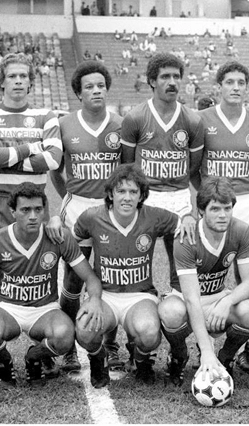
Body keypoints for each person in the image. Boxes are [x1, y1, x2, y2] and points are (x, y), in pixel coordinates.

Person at [0, 182, 103, 386]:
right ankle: (4, 362)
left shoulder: (59, 237)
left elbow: (89, 277)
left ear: (44, 210)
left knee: (65, 336)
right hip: (7, 308)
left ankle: (34, 357)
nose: (33, 216)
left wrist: (95, 299)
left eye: (38, 209)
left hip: (45, 309)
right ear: (13, 211)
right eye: (25, 210)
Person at [45, 61, 123, 374]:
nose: (95, 91)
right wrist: (70, 196)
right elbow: (55, 169)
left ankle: (112, 344)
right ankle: (68, 350)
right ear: (79, 93)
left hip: (111, 212)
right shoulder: (64, 125)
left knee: (112, 277)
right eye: (89, 86)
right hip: (77, 207)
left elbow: (128, 172)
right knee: (74, 279)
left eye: (100, 86)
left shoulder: (121, 124)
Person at [73, 164, 180, 387]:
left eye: (133, 192)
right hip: (105, 296)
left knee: (150, 334)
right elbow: (73, 241)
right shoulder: (92, 218)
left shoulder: (154, 217)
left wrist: (188, 218)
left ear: (141, 195)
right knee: (84, 329)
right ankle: (98, 357)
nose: (127, 198)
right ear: (111, 193)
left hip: (139, 296)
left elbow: (180, 223)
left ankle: (140, 360)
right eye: (121, 191)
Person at [0, 52, 62, 315]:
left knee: (35, 266)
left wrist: (6, 157)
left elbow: (54, 159)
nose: (18, 81)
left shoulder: (46, 115)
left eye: (23, 76)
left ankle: (41, 329)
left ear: (31, 82)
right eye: (12, 76)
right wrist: (29, 149)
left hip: (33, 203)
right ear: (2, 81)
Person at [158, 177, 249, 386]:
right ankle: (179, 355)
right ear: (202, 211)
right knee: (170, 312)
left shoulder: (241, 230)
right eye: (215, 209)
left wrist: (226, 302)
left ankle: (225, 358)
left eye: (227, 208)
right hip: (185, 300)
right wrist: (206, 351)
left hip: (218, 298)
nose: (222, 215)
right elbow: (192, 298)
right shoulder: (187, 236)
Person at [121, 52, 204, 299]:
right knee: (136, 258)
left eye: (176, 76)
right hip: (146, 197)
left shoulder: (192, 119)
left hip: (179, 197)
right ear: (152, 81)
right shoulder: (135, 117)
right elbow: (127, 165)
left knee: (181, 260)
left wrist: (174, 181)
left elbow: (193, 166)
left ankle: (178, 312)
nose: (172, 82)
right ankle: (139, 304)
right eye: (165, 76)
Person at [195, 61, 249, 286]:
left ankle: (246, 312)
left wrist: (245, 187)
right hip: (212, 201)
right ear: (219, 87)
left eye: (241, 83)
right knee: (206, 262)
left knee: (247, 265)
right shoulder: (202, 119)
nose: (236, 87)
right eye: (230, 82)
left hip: (246, 200)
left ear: (247, 87)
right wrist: (207, 192)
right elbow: (192, 166)